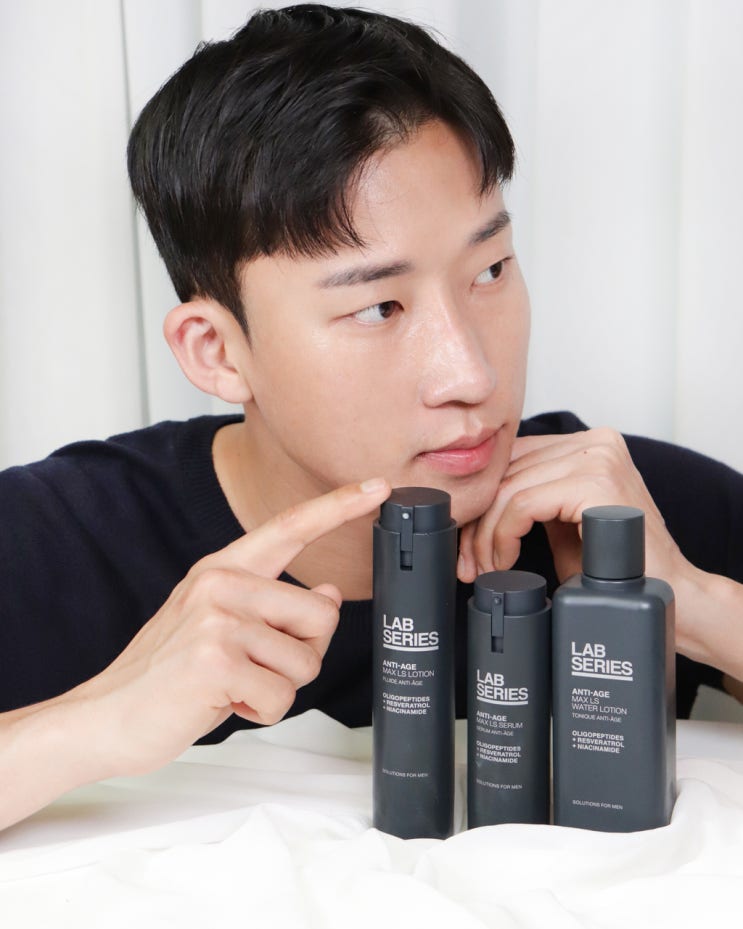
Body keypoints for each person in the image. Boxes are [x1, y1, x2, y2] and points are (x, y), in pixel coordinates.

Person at [1, 4, 742, 832]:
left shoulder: (620, 508)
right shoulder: (50, 540)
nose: (471, 375)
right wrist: (98, 720)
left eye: (490, 269)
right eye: (378, 308)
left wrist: (695, 605)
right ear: (217, 351)